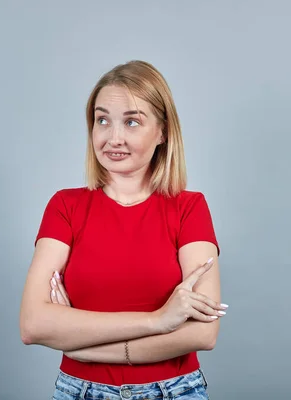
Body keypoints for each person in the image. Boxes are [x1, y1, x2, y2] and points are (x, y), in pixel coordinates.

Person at [19, 60, 225, 400]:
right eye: (103, 120)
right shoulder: (64, 206)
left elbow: (203, 334)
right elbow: (33, 324)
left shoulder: (189, 207)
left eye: (132, 122)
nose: (113, 138)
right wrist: (159, 320)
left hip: (174, 392)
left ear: (163, 132)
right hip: (78, 392)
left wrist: (82, 346)